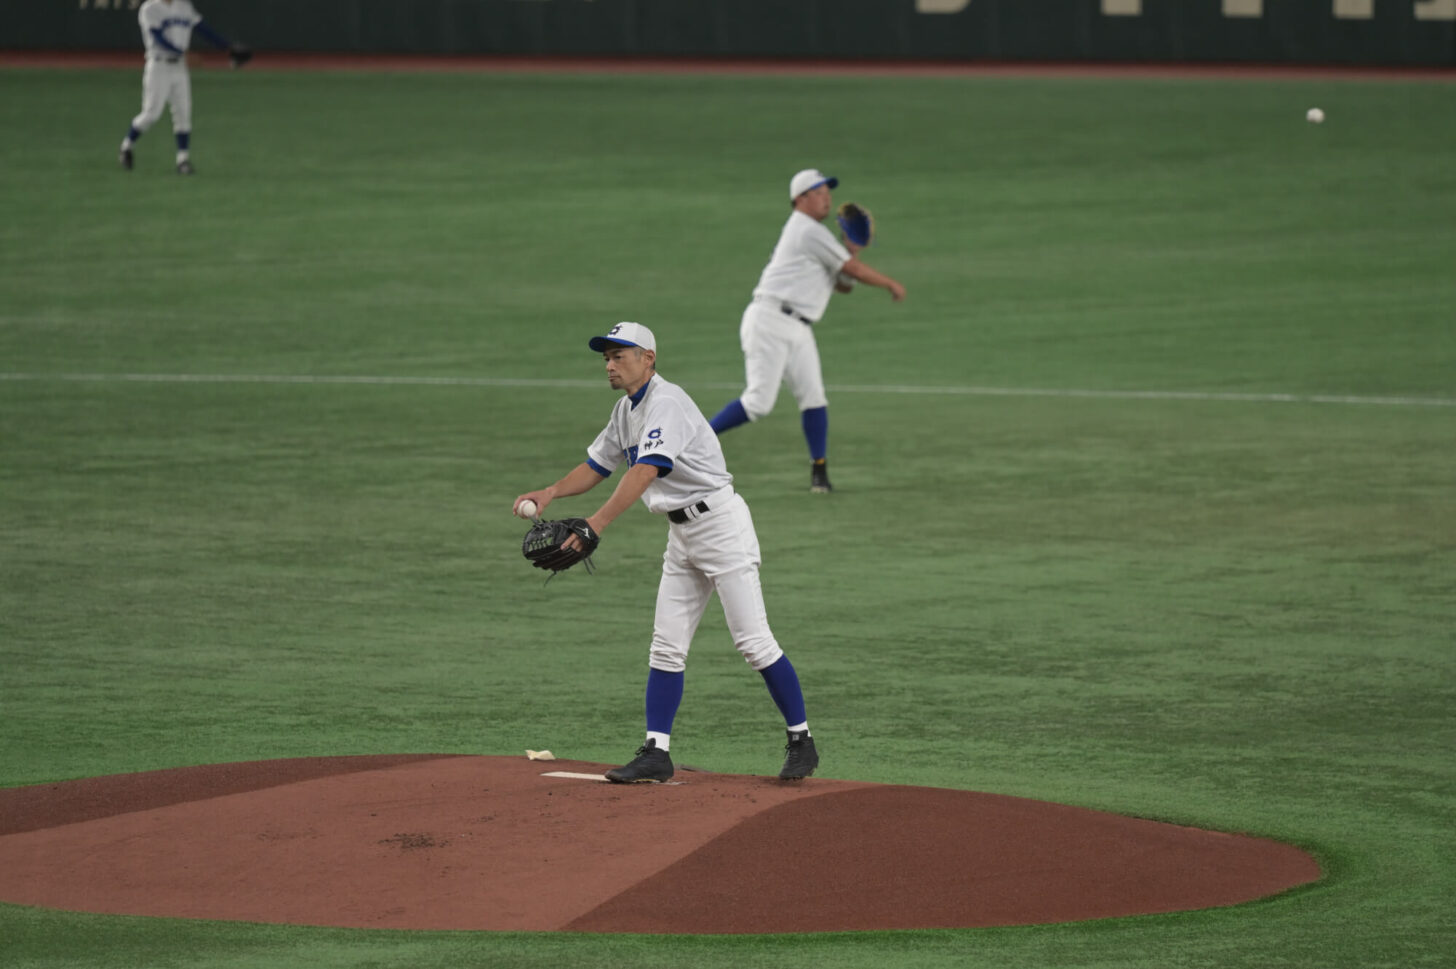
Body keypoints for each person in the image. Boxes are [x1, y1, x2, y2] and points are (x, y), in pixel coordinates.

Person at [513, 321, 819, 783]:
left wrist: (596, 524)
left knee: (753, 642)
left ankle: (803, 741)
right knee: (666, 646)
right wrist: (552, 491)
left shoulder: (667, 403)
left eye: (620, 356)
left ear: (648, 358)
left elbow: (645, 473)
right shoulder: (625, 410)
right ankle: (656, 751)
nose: (610, 365)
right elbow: (599, 464)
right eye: (606, 358)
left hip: (721, 527)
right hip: (682, 536)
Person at [708, 168, 907, 493]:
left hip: (798, 327)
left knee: (813, 398)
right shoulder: (806, 230)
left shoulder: (817, 237)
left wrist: (850, 252)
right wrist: (889, 283)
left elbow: (843, 285)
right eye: (818, 192)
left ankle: (819, 473)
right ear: (800, 199)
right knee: (759, 403)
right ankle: (692, 439)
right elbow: (852, 271)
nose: (826, 197)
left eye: (827, 191)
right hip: (770, 320)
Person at [118, 0, 239, 175]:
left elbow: (203, 29)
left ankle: (183, 160)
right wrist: (183, 53)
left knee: (183, 113)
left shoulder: (184, 7)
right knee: (151, 114)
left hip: (180, 69)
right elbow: (157, 37)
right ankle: (126, 146)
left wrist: (227, 47)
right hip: (158, 66)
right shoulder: (150, 8)